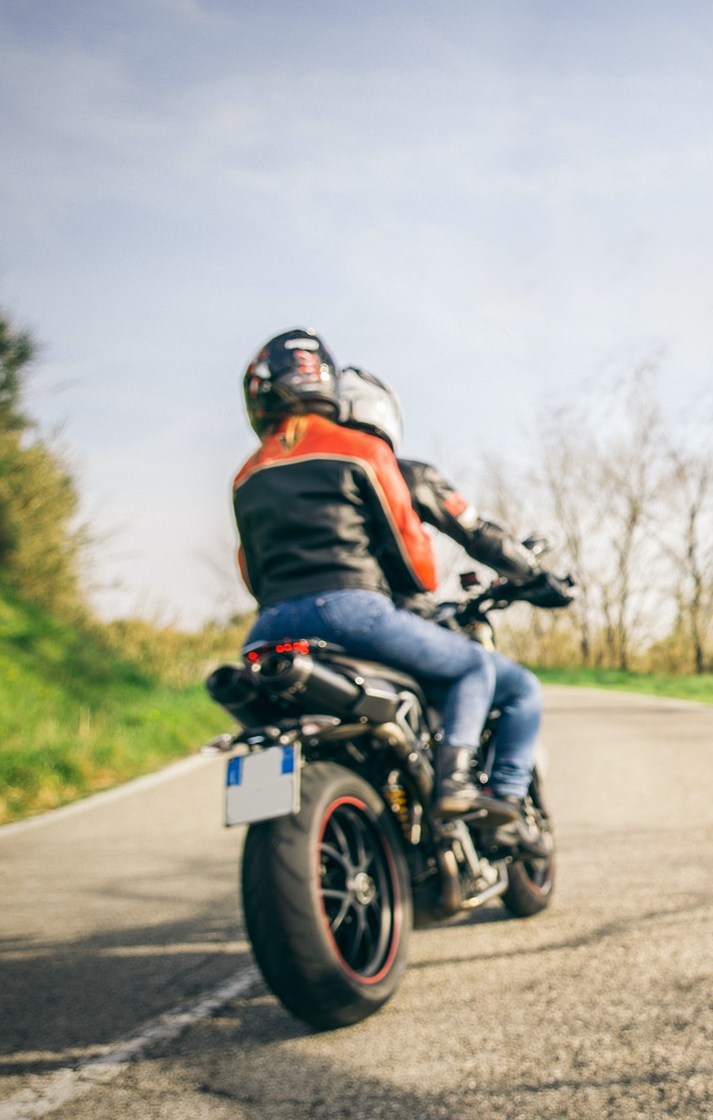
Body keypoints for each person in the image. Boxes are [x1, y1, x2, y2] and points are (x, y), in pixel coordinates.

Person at [232, 330, 572, 831]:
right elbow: (422, 558)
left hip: (269, 627)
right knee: (479, 670)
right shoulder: (365, 452)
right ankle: (462, 788)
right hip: (355, 612)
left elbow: (250, 568)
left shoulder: (248, 473)